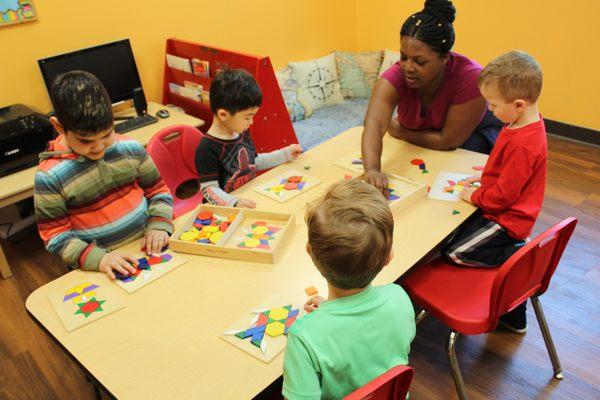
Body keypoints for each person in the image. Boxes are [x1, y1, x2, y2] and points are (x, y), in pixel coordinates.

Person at [282, 179, 416, 399]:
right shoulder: (399, 298)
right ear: (389, 257)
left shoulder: (303, 337)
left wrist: (324, 321)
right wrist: (328, 312)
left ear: (310, 252)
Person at [34, 71, 174, 280]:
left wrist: (159, 224)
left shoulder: (131, 148)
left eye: (107, 135)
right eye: (86, 141)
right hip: (100, 267)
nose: (99, 148)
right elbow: (56, 237)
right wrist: (99, 259)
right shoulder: (50, 176)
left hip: (147, 248)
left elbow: (158, 191)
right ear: (58, 127)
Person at [444, 51, 546, 333]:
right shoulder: (518, 122)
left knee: (453, 253)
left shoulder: (524, 144)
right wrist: (485, 175)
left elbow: (504, 197)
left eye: (492, 104)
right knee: (452, 234)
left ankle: (515, 257)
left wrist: (473, 195)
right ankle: (514, 303)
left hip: (508, 222)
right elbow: (508, 172)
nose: (489, 110)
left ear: (518, 104)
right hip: (500, 209)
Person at [362, 0, 502, 194]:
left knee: (453, 192)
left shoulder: (471, 79)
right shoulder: (396, 76)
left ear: (444, 58)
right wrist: (372, 170)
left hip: (472, 140)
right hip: (430, 141)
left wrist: (400, 130)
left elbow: (448, 141)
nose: (408, 67)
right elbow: (374, 124)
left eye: (419, 61)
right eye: (403, 57)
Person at [195, 69, 302, 208]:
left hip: (248, 197)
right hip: (224, 210)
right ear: (223, 114)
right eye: (247, 117)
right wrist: (234, 202)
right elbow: (209, 189)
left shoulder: (241, 132)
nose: (251, 122)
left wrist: (285, 154)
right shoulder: (206, 148)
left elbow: (254, 162)